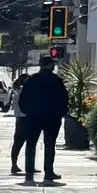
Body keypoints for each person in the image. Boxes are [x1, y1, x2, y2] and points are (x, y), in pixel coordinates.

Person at [14, 52, 68, 183]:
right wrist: (61, 112)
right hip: (52, 118)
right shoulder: (56, 80)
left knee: (31, 145)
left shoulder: (32, 80)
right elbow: (64, 98)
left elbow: (23, 98)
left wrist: (27, 112)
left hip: (33, 117)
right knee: (50, 145)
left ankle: (29, 173)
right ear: (51, 66)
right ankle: (48, 172)